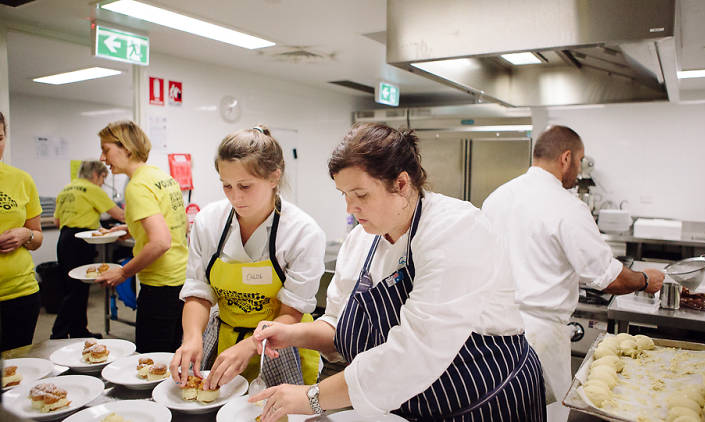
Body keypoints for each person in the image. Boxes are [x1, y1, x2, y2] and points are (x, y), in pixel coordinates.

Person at [249, 123, 545, 421]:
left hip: (485, 403)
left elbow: (416, 353)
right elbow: (339, 323)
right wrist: (292, 334)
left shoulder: (456, 230)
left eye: (361, 195)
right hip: (407, 407)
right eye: (344, 195)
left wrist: (312, 397)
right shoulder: (361, 240)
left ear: (402, 184)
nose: (351, 208)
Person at [481, 125, 665, 403]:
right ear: (566, 158)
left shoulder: (496, 198)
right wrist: (646, 280)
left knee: (500, 407)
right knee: (543, 410)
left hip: (492, 331)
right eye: (579, 160)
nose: (579, 170)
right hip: (539, 338)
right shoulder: (566, 206)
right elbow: (610, 279)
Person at [169, 126, 325, 389]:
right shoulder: (209, 222)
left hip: (282, 346)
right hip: (225, 341)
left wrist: (253, 344)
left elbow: (292, 311)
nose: (235, 196)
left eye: (245, 186)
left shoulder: (302, 232)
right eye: (226, 185)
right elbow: (198, 290)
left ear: (274, 177)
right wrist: (192, 337)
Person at [97, 120, 188, 352]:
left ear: (126, 148)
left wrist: (123, 272)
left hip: (159, 286)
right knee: (174, 354)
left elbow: (160, 241)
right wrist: (129, 228)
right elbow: (180, 224)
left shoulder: (137, 186)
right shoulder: (162, 177)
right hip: (181, 281)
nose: (102, 158)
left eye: (106, 150)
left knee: (152, 359)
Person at [51, 160, 125, 339]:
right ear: (95, 175)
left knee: (75, 288)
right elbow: (119, 215)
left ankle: (79, 330)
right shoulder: (92, 190)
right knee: (77, 290)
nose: (102, 183)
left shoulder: (66, 189)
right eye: (102, 178)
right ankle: (58, 333)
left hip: (64, 239)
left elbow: (57, 222)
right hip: (81, 241)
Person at [0, 111, 44, 351]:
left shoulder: (21, 180)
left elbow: (36, 237)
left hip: (21, 293)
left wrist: (24, 235)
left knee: (16, 370)